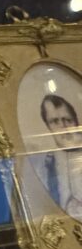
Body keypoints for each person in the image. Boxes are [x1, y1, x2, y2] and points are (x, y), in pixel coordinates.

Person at [37, 93, 82, 221]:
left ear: (76, 122)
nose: (63, 127)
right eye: (55, 121)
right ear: (48, 127)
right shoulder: (46, 164)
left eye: (67, 120)